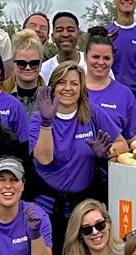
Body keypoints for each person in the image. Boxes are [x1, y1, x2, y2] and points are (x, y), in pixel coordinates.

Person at [29, 67, 125, 234]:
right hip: (46, 208)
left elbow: (122, 144)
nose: (68, 88)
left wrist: (106, 153)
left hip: (83, 208)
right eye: (62, 83)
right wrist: (46, 123)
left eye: (74, 83)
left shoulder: (92, 113)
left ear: (81, 89)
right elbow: (44, 158)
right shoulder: (38, 119)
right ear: (52, 86)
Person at [81, 34, 136, 141]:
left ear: (113, 59)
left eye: (107, 58)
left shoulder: (124, 94)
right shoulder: (73, 90)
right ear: (85, 57)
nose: (101, 62)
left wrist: (122, 147)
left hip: (114, 156)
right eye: (95, 57)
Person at [6, 30, 48, 105]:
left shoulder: (51, 97)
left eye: (34, 63)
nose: (28, 68)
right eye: (22, 63)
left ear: (41, 64)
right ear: (13, 64)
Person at [40, 11, 82, 81]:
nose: (65, 34)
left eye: (70, 30)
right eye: (59, 30)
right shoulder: (43, 71)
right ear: (52, 37)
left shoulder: (92, 64)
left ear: (79, 35)